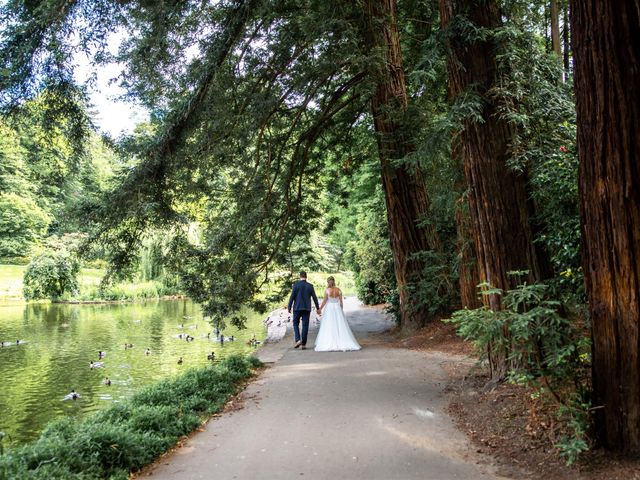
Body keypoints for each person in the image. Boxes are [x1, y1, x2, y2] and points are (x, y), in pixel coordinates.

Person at [314, 276, 361, 352]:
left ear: (328, 282)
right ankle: (341, 340)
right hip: (337, 307)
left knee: (329, 324)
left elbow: (324, 301)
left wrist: (320, 309)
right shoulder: (339, 290)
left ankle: (329, 340)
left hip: (329, 308)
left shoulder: (327, 290)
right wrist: (341, 310)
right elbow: (341, 302)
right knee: (339, 324)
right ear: (334, 281)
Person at [288, 271, 320, 350]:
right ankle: (303, 344)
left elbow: (292, 297)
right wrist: (317, 308)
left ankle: (298, 339)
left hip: (297, 308)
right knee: (305, 325)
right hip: (306, 308)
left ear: (300, 276)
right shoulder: (310, 286)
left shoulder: (296, 285)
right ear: (306, 276)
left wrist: (289, 307)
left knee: (295, 323)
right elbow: (314, 298)